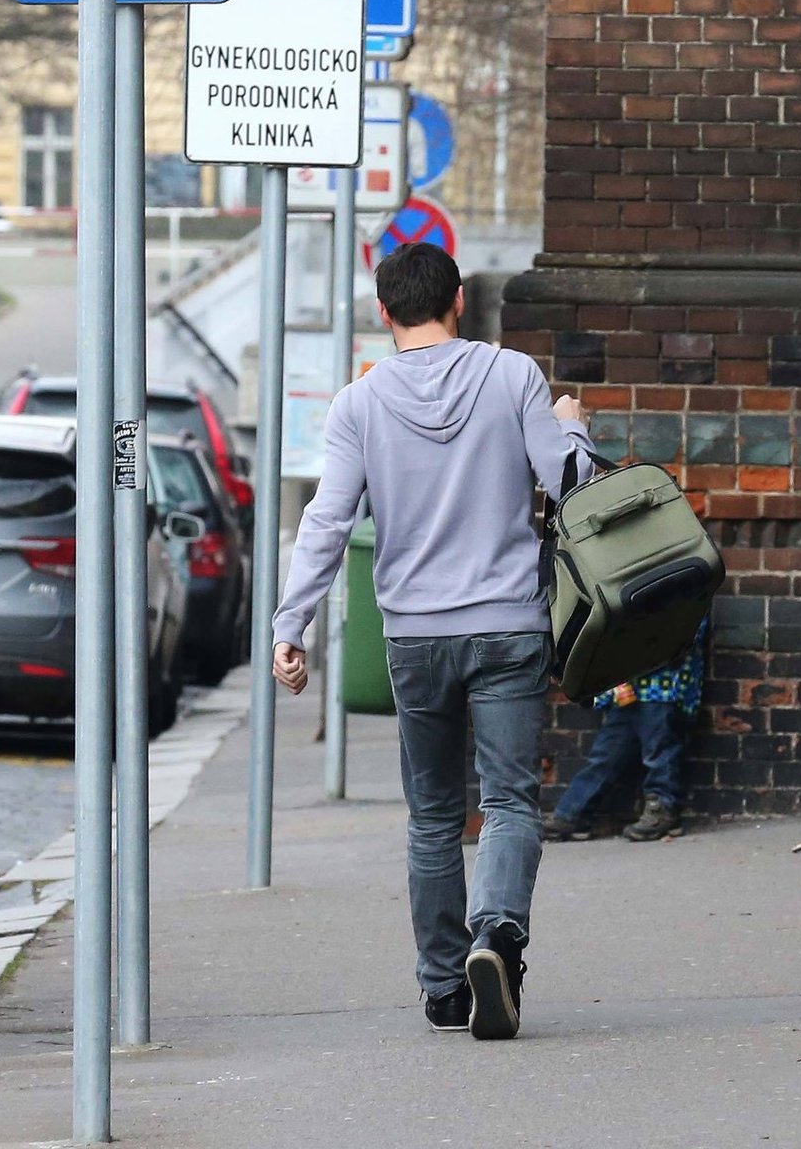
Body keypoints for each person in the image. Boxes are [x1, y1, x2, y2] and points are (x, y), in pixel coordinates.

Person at [272, 243, 596, 1040]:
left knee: (431, 817)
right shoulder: (514, 377)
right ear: (458, 299)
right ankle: (497, 935)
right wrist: (573, 428)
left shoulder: (357, 405)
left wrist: (292, 625)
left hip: (415, 636)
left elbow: (327, 520)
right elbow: (572, 487)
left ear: (384, 314)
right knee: (510, 801)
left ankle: (446, 988)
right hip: (507, 626)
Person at [541, 621, 707, 844]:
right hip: (627, 686)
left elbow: (681, 633)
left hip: (662, 686)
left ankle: (664, 809)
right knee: (607, 754)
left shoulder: (687, 588)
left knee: (658, 750)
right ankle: (573, 814)